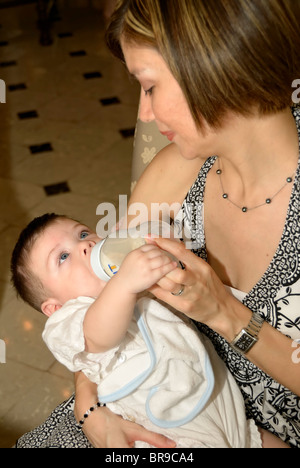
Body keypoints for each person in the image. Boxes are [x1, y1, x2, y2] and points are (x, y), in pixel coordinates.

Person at [15, 0, 300, 449]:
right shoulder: (177, 172)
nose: (144, 114)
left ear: (212, 68)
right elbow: (92, 301)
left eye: (148, 87)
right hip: (152, 405)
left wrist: (225, 314)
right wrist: (90, 411)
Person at [11, 213, 262, 448]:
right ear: (54, 307)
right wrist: (124, 283)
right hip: (170, 433)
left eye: (83, 234)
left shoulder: (132, 279)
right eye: (63, 257)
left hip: (226, 409)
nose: (84, 246)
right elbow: (97, 337)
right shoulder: (67, 321)